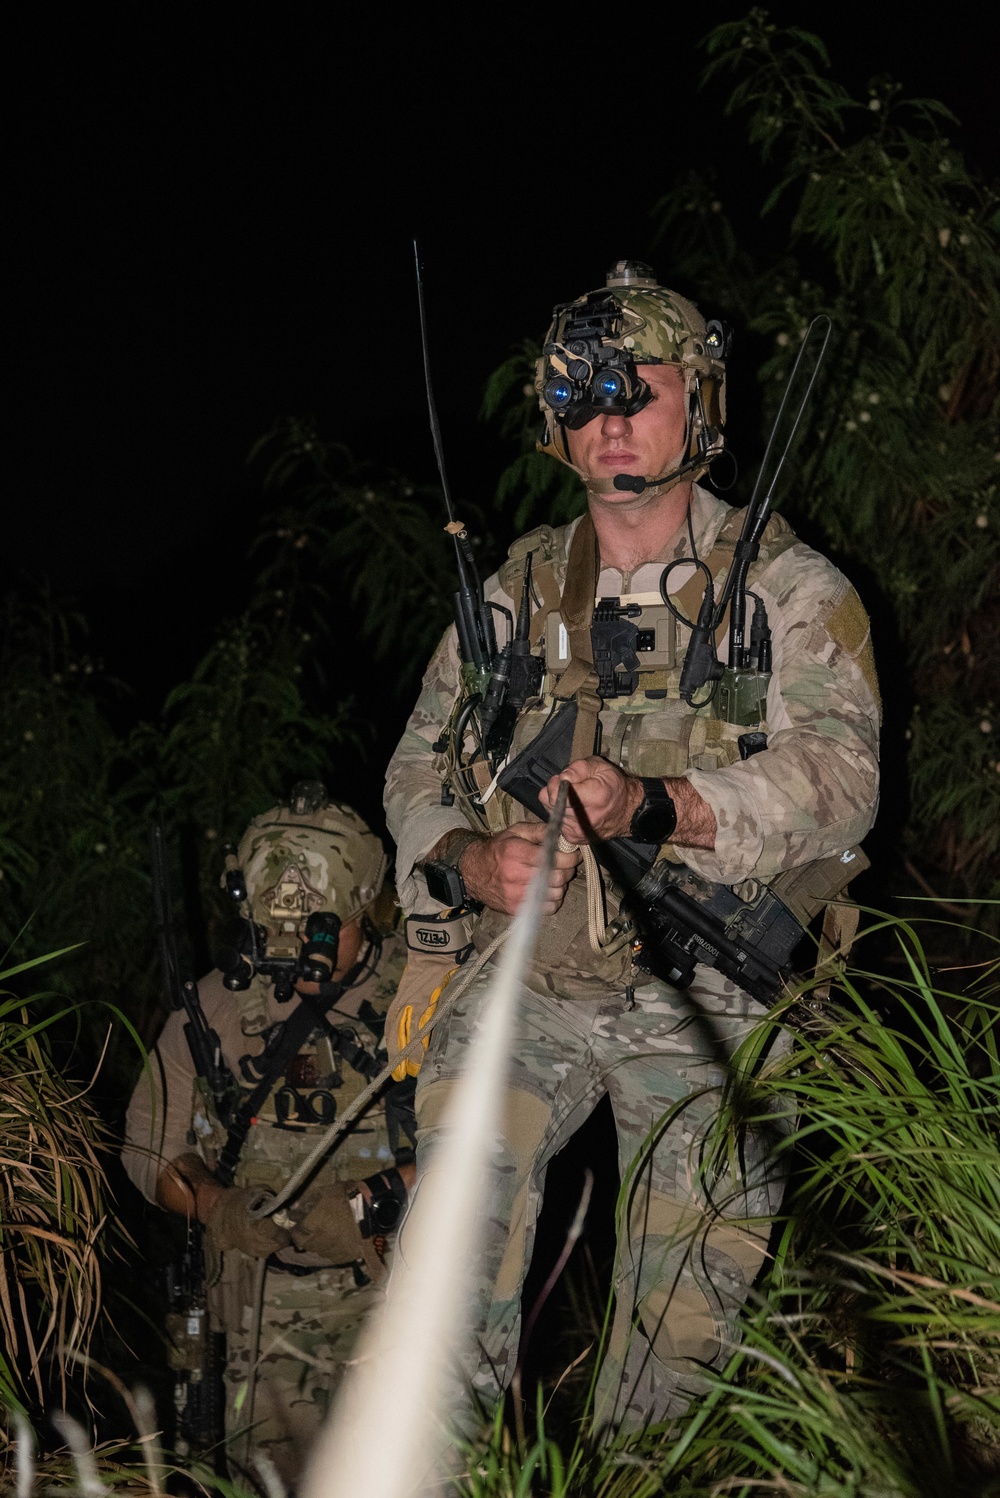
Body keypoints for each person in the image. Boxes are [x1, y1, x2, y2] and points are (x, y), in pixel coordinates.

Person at [384, 262, 881, 1436]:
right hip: (531, 977)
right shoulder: (510, 595)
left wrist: (663, 805)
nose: (605, 415)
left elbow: (846, 783)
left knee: (680, 1353)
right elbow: (412, 769)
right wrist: (468, 856)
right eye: (578, 392)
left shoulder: (786, 589)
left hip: (713, 986)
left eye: (633, 387)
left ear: (699, 405)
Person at [123, 783, 412, 1492]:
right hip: (257, 1332)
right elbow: (147, 1147)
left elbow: (494, 1152)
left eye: (319, 929)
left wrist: (372, 1203)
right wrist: (215, 1204)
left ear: (367, 906)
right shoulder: (215, 1007)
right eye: (272, 925)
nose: (293, 949)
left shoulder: (423, 1002)